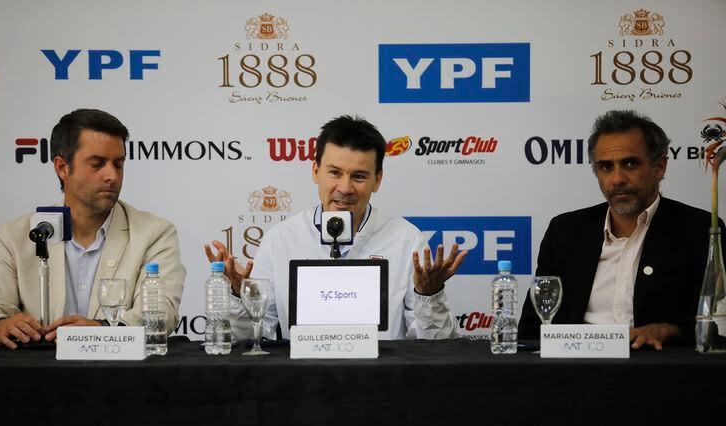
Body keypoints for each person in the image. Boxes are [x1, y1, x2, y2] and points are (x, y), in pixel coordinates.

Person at [205, 115, 467, 340]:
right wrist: (240, 296)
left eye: (359, 176)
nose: (345, 188)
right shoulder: (280, 240)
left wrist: (429, 295)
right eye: (334, 173)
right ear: (315, 171)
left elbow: (436, 348)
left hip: (383, 385)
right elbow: (252, 338)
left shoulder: (407, 240)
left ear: (377, 180)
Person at [0, 108, 186, 349]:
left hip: (122, 377)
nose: (111, 175)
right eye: (97, 164)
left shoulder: (155, 233)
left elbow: (160, 313)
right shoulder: (14, 235)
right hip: (35, 378)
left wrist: (104, 330)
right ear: (62, 167)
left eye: (118, 164)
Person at [518, 109, 723, 350]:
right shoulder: (565, 231)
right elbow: (532, 329)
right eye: (605, 167)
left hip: (659, 372)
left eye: (630, 164)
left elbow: (715, 323)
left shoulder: (699, 229)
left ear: (659, 167)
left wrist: (667, 330)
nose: (617, 179)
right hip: (573, 373)